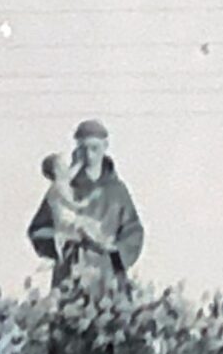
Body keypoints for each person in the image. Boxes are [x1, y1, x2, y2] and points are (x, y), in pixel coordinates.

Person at [26, 119, 145, 290]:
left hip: (107, 274)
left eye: (94, 148)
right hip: (70, 273)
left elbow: (134, 231)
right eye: (83, 149)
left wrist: (115, 253)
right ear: (77, 150)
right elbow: (37, 231)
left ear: (105, 146)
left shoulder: (117, 191)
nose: (89, 155)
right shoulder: (64, 187)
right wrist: (64, 240)